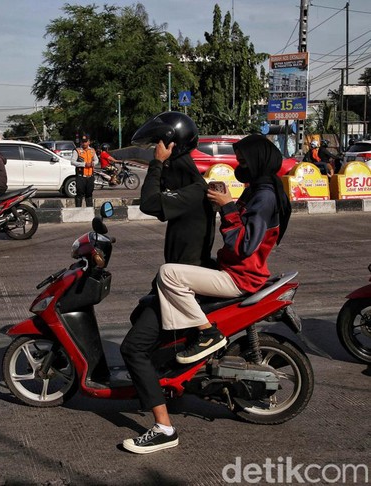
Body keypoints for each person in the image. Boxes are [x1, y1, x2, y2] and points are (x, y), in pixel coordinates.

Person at [120, 111, 216, 454]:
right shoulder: (187, 187)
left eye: (156, 147)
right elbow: (158, 205)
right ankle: (165, 386)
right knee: (137, 317)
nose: (152, 154)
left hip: (182, 286)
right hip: (177, 281)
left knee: (131, 348)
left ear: (171, 148)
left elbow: (148, 202)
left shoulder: (193, 190)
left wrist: (156, 166)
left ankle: (163, 428)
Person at [156, 134, 292, 365]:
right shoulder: (257, 190)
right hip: (233, 269)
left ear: (257, 161)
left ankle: (207, 334)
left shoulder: (264, 197)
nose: (240, 166)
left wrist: (227, 205)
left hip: (239, 278)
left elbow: (244, 246)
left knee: (168, 274)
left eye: (244, 162)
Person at [70, 135, 97, 207]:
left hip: (90, 176)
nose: (84, 143)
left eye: (85, 142)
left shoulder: (92, 150)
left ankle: (90, 210)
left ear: (89, 142)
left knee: (89, 194)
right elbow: (72, 162)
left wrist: (93, 163)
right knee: (79, 193)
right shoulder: (77, 150)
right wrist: (84, 164)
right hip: (81, 176)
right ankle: (78, 210)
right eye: (83, 142)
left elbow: (96, 160)